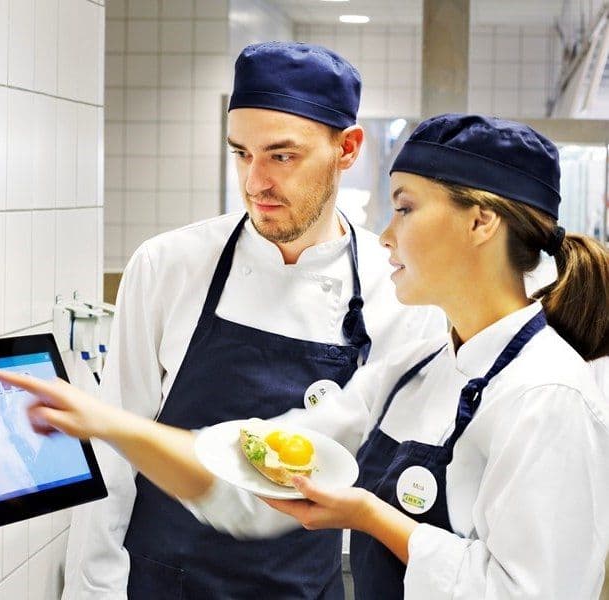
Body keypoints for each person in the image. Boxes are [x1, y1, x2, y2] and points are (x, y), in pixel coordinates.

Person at [52, 41, 445, 600]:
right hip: (162, 586)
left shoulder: (396, 292)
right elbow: (115, 456)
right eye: (241, 153)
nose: (255, 181)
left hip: (304, 588)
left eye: (281, 156)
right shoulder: (169, 265)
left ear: (348, 148)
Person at [258, 114, 609, 599]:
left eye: (404, 208)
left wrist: (371, 517)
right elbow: (303, 442)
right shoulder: (417, 366)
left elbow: (533, 592)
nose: (385, 235)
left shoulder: (548, 395)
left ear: (480, 221)